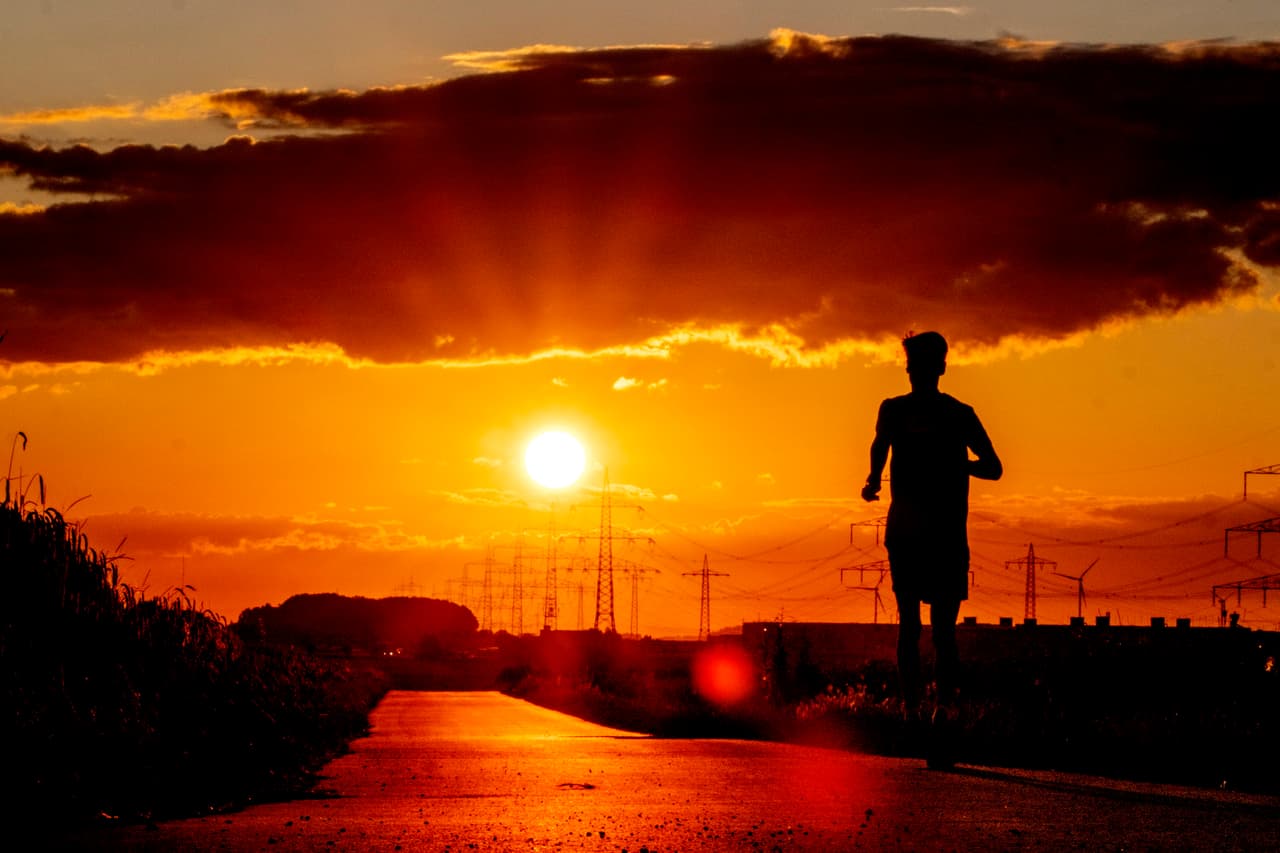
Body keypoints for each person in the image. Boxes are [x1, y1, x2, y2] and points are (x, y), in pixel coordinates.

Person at [861, 331, 1001, 767]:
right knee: (939, 631)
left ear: (935, 368)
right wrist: (960, 464)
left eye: (917, 365)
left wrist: (871, 480)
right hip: (936, 536)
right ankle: (935, 711)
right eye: (913, 366)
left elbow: (879, 451)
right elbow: (993, 468)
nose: (915, 372)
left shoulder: (901, 410)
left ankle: (919, 712)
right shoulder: (957, 414)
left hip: (915, 534)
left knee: (915, 627)